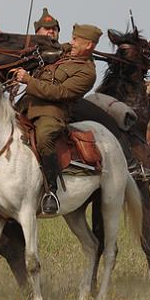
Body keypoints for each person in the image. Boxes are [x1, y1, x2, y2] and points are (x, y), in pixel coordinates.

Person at [10, 24, 100, 214]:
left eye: (76, 40)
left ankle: (50, 191)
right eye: (73, 38)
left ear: (89, 45)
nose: (72, 42)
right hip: (26, 105)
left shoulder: (87, 72)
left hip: (51, 113)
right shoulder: (64, 52)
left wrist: (28, 80)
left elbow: (60, 92)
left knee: (44, 138)